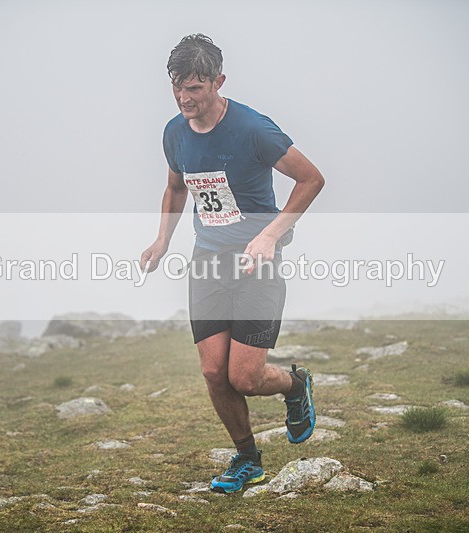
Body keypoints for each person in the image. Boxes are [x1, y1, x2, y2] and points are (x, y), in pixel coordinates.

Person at [140, 34, 325, 494]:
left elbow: (311, 179)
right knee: (212, 372)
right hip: (208, 262)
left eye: (196, 89)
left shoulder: (253, 129)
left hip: (256, 262)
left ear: (219, 81)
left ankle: (295, 384)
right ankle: (247, 459)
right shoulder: (174, 132)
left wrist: (268, 236)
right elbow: (177, 187)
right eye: (177, 87)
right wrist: (162, 239)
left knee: (244, 376)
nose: (185, 98)